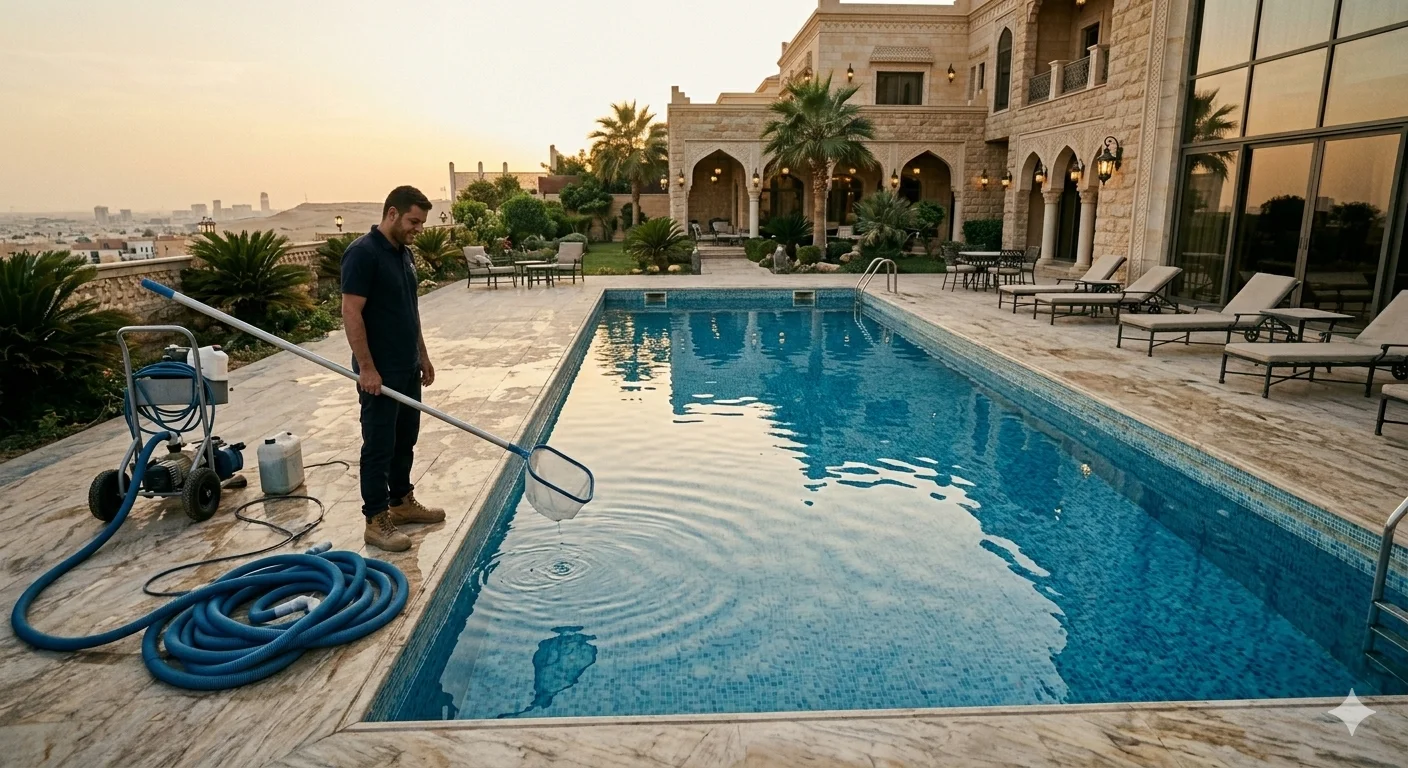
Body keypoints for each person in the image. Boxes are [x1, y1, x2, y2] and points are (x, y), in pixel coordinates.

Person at [340, 186, 445, 551]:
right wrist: (367, 369)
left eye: (422, 223)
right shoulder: (363, 254)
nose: (419, 228)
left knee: (405, 440)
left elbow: (409, 310)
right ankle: (376, 518)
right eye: (414, 221)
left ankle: (401, 502)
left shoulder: (405, 255)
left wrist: (423, 355)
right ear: (392, 214)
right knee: (379, 444)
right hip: (379, 373)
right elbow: (351, 312)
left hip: (406, 367)